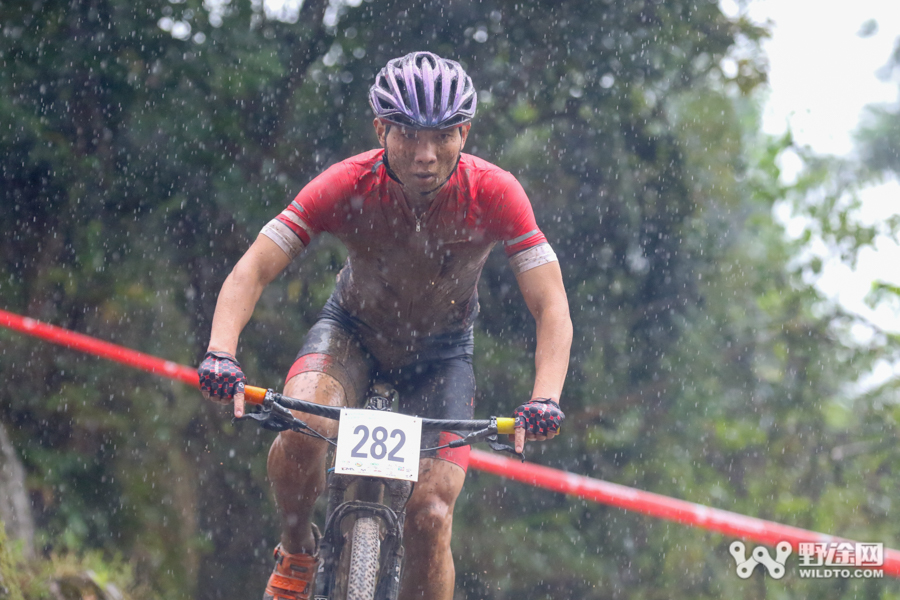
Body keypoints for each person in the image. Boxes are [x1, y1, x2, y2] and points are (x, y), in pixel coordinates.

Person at [198, 51, 572, 600]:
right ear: (380, 129)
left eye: (441, 136)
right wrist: (221, 352)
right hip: (351, 333)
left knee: (432, 515)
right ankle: (297, 548)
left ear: (464, 133)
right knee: (303, 426)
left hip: (442, 356)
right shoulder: (346, 182)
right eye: (406, 134)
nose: (425, 155)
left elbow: (551, 306)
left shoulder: (496, 192)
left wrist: (545, 398)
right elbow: (253, 268)